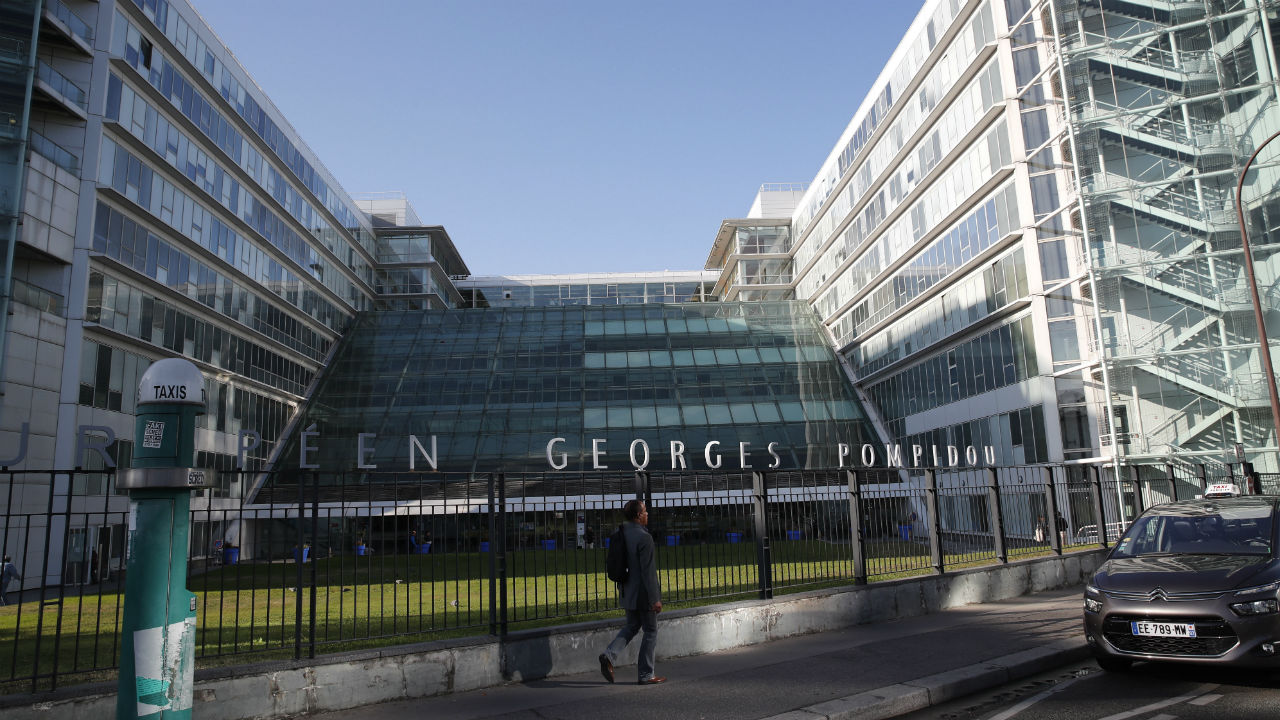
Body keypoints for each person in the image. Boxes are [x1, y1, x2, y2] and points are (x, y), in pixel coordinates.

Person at [598, 500, 665, 685]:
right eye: (645, 511)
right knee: (651, 631)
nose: (647, 514)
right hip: (643, 593)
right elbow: (648, 572)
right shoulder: (644, 538)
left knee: (632, 625)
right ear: (638, 515)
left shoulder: (619, 533)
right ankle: (646, 674)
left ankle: (609, 655)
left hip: (626, 590)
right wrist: (655, 599)